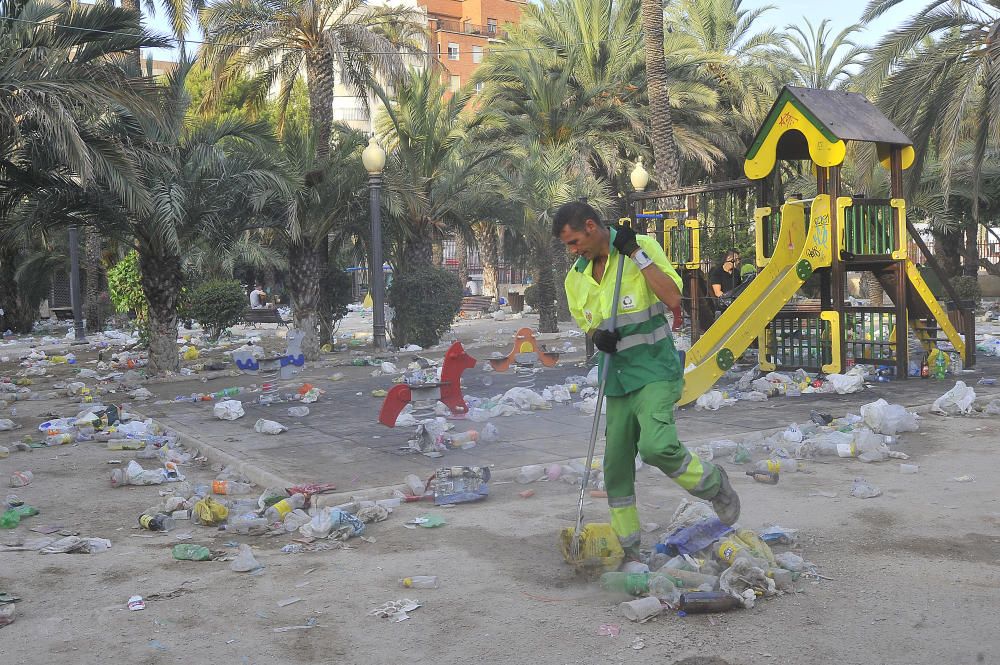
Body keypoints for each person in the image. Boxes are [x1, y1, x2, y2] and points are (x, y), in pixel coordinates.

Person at [553, 202, 740, 561]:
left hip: (655, 370)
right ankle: (630, 551)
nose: (573, 251)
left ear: (591, 226)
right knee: (616, 468)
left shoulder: (638, 249)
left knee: (656, 447)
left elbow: (672, 298)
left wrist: (635, 254)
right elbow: (587, 321)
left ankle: (715, 485)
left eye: (575, 242)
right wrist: (597, 336)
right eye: (569, 246)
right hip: (617, 379)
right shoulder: (575, 278)